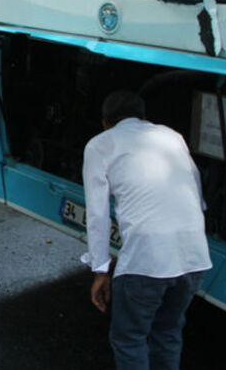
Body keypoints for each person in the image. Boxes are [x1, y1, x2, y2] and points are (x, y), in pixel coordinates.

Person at [81, 90, 211, 370]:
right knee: (167, 333)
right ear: (143, 118)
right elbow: (197, 196)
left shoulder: (100, 145)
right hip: (193, 257)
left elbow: (98, 214)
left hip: (146, 260)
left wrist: (100, 270)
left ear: (105, 123)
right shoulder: (172, 136)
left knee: (129, 338)